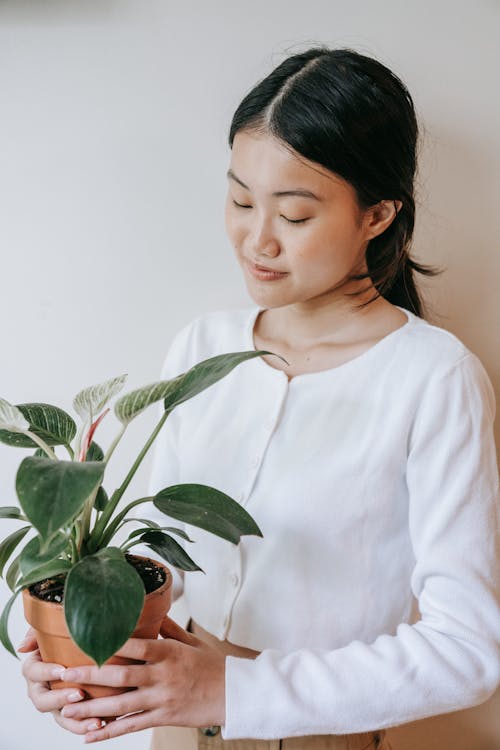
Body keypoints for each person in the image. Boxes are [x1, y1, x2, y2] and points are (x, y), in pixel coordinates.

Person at [18, 46, 500, 750]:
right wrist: (83, 647)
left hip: (316, 735)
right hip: (177, 724)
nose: (256, 239)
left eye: (295, 216)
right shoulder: (203, 349)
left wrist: (231, 688)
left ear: (378, 215)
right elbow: (168, 570)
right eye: (241, 200)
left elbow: (467, 653)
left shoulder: (432, 376)